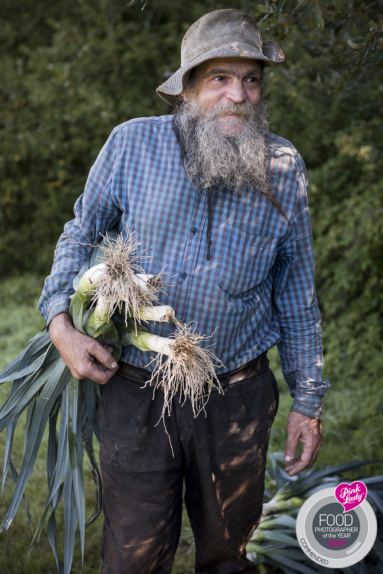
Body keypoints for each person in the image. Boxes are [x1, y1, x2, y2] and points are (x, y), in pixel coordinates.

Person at [39, 9, 329, 574]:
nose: (238, 95)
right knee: (133, 559)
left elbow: (297, 290)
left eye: (251, 80)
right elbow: (81, 232)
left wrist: (308, 402)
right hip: (138, 392)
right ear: (189, 88)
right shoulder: (132, 145)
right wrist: (60, 324)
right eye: (220, 78)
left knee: (228, 556)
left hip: (237, 395)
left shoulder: (282, 165)